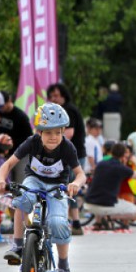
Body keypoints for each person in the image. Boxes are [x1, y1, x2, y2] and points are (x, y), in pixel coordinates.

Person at [0, 103, 86, 272]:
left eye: (57, 133)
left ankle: (63, 268)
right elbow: (8, 164)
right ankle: (18, 246)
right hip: (34, 181)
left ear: (63, 132)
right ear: (39, 132)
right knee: (22, 199)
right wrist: (1, 179)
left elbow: (80, 174)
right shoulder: (32, 142)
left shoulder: (67, 147)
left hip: (57, 186)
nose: (53, 138)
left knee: (57, 222)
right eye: (48, 133)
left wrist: (75, 183)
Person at [47, 83, 87, 235]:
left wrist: (48, 143)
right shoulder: (63, 110)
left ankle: (69, 223)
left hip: (73, 155)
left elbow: (68, 134)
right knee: (69, 189)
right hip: (72, 154)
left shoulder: (68, 111)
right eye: (51, 97)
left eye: (56, 96)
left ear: (64, 95)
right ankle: (74, 223)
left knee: (68, 187)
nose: (54, 99)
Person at [84, 142, 136, 229]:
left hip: (89, 203)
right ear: (123, 156)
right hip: (106, 205)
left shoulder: (101, 164)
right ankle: (109, 218)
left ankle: (99, 222)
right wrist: (135, 162)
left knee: (102, 195)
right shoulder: (121, 168)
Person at [0, 90, 34, 183]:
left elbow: (29, 138)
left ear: (9, 101)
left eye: (1, 107)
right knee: (1, 180)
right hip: (1, 155)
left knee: (20, 181)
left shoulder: (21, 116)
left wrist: (10, 142)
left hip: (19, 155)